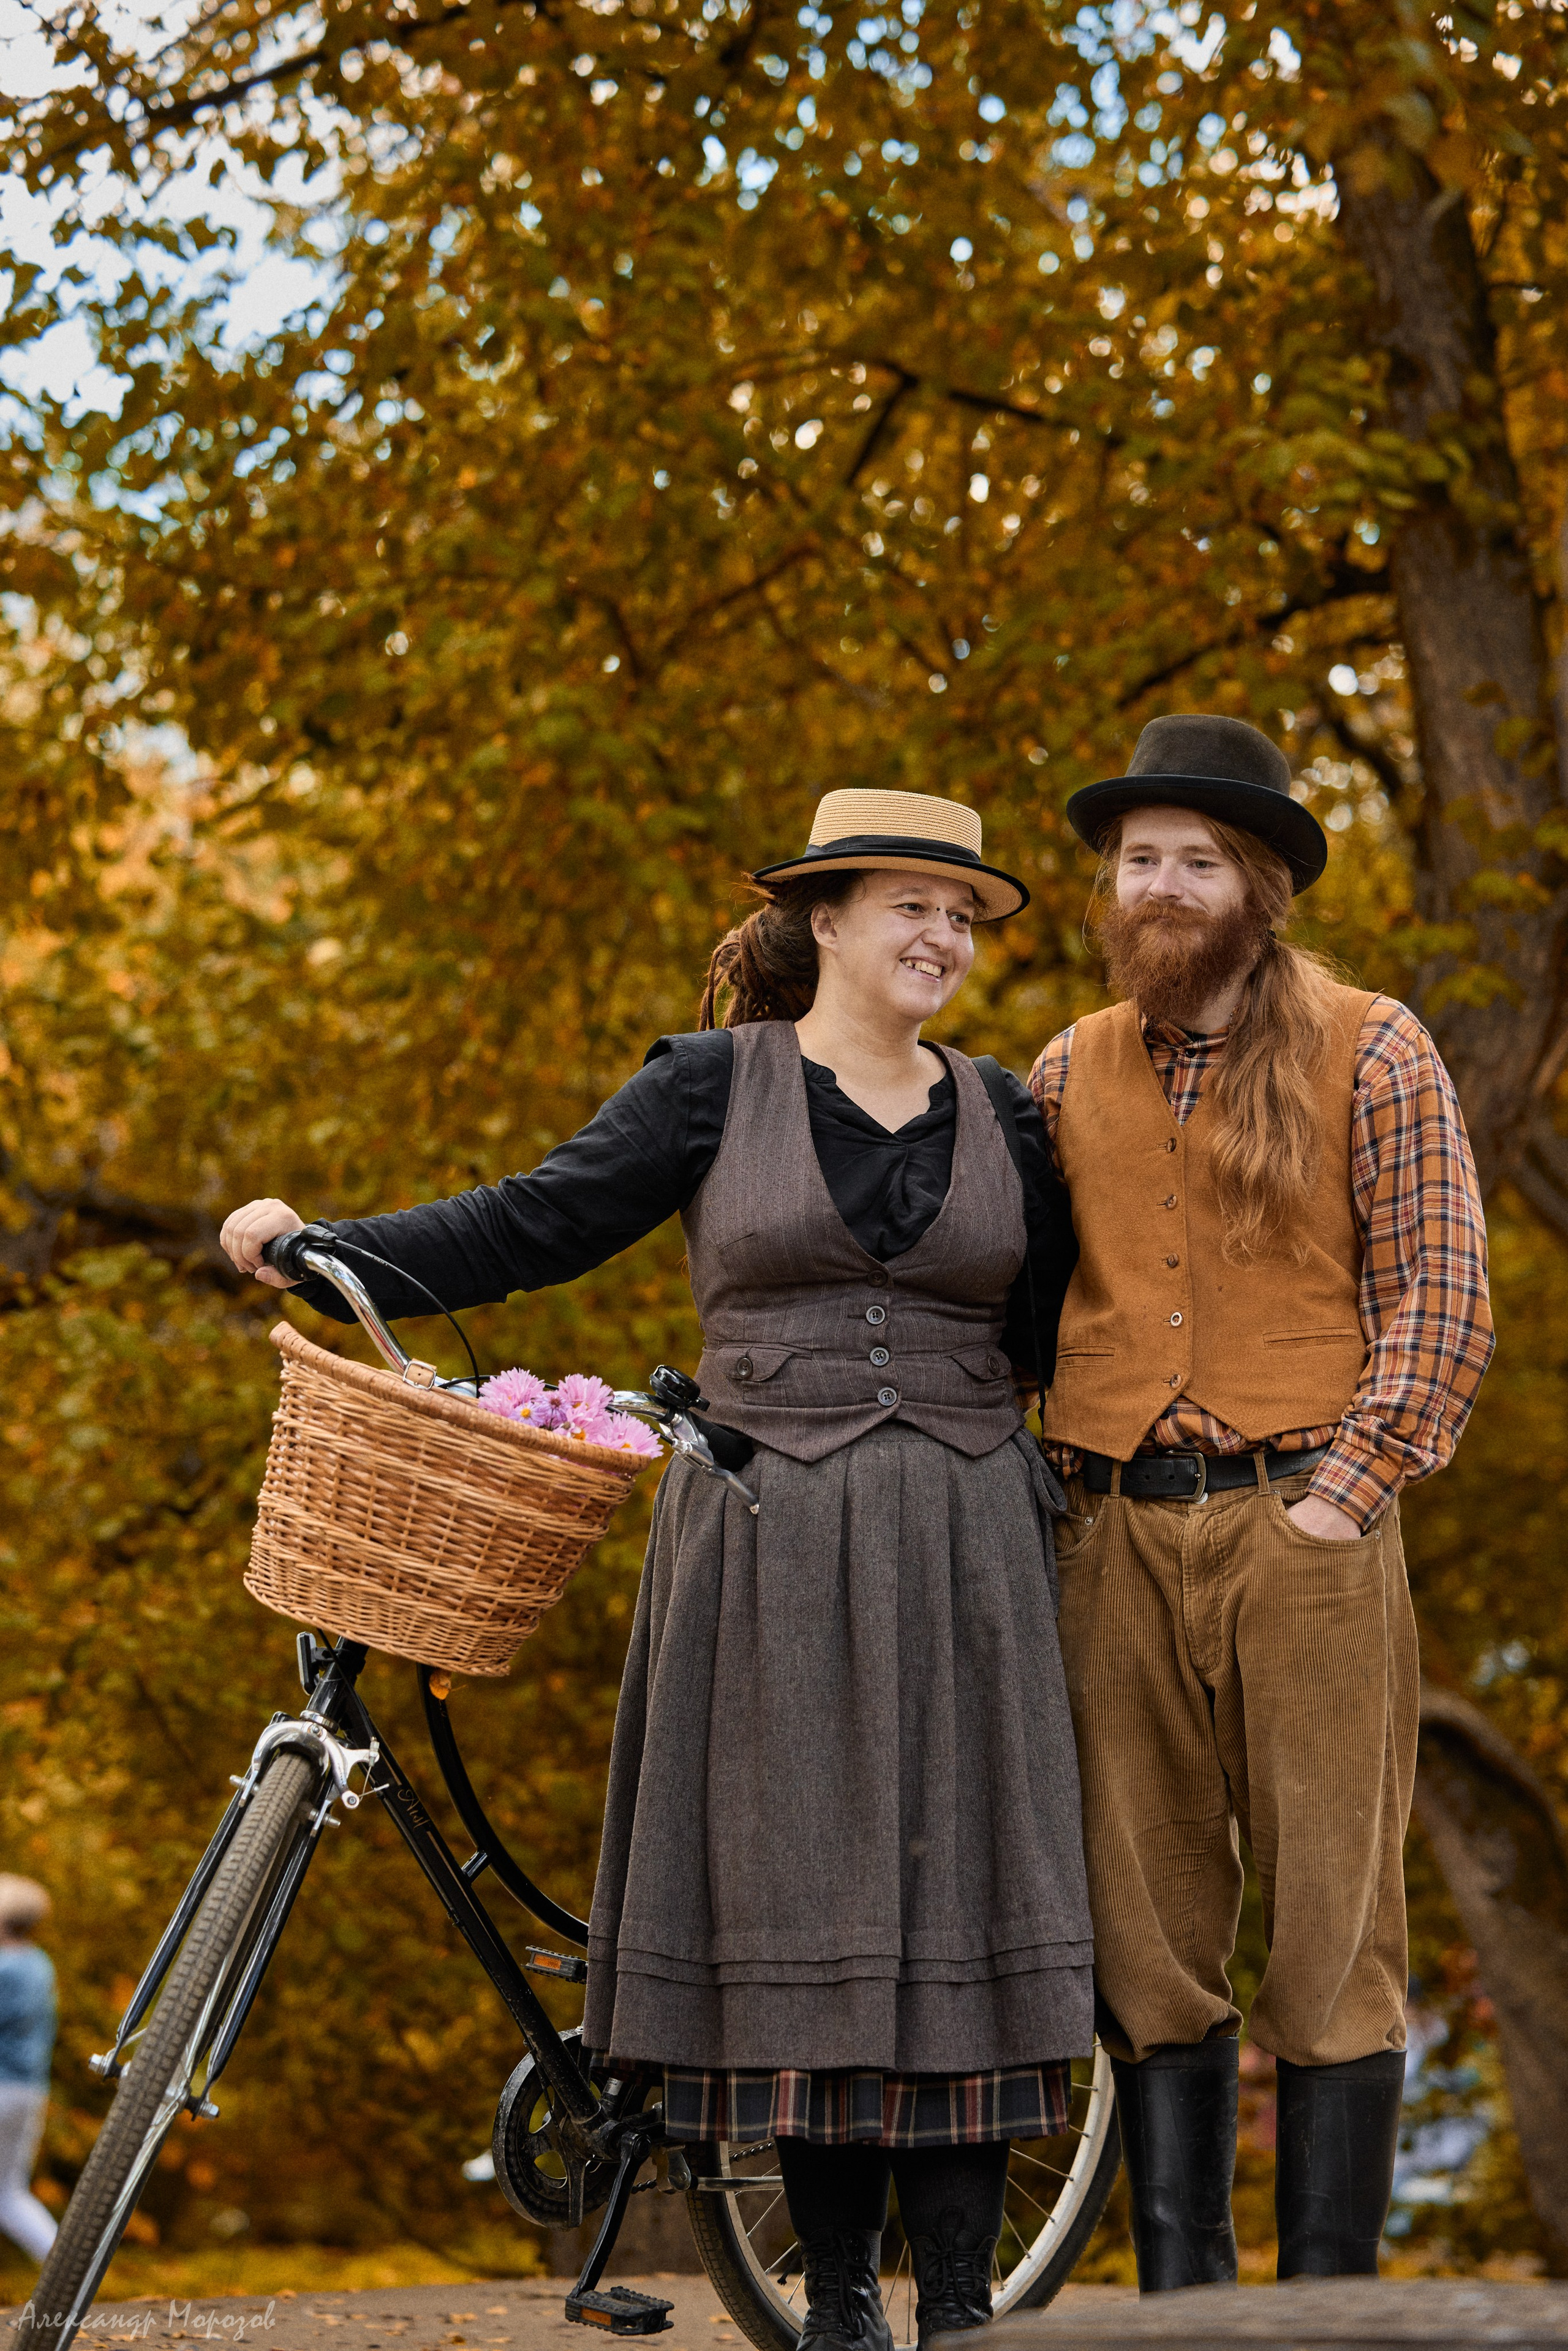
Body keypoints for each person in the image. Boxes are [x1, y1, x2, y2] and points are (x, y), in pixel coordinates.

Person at [221, 788, 1094, 2351]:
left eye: (962, 915)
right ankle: (834, 2304)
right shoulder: (706, 1087)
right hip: (771, 1542)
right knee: (807, 1900)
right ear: (823, 919)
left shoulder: (1008, 1117)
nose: (942, 937)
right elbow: (530, 1226)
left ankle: (962, 2308)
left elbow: (1056, 1342)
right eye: (911, 904)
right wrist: (324, 1243)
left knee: (963, 1904)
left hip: (972, 1543)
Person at [1030, 715, 1494, 2292]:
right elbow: (1017, 1305)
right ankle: (1180, 2313)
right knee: (1144, 1940)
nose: (1157, 883)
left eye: (1192, 857)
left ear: (1256, 884)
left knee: (1328, 1935)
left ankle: (1325, 2319)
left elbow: (1437, 1303)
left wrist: (1338, 1499)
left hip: (1306, 1517)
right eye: (1135, 858)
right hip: (1106, 1533)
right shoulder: (1058, 1068)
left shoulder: (1373, 1045)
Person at [0, 1875, 58, 2266]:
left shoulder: (7, 1969)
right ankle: (68, 2278)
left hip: (3, 2086)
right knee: (8, 2194)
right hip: (29, 2089)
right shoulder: (39, 1964)